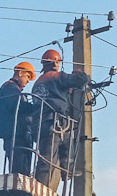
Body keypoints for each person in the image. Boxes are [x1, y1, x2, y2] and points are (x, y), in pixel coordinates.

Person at [31, 49, 90, 185]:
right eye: (57, 62)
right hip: (54, 122)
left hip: (40, 124)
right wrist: (79, 73)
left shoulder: (37, 83)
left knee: (58, 145)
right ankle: (45, 184)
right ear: (54, 63)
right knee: (48, 158)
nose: (58, 65)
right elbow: (81, 80)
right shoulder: (57, 76)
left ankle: (66, 170)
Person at [0, 62, 36, 175]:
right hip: (15, 134)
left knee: (24, 168)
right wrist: (36, 108)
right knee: (19, 168)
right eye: (27, 76)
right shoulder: (9, 87)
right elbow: (16, 105)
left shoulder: (16, 91)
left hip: (21, 134)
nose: (28, 81)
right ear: (20, 73)